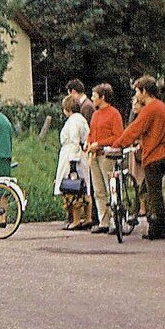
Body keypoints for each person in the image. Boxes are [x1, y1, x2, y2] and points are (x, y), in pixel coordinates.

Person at [111, 75, 165, 240]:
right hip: (164, 154)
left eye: (137, 91)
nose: (136, 96)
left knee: (154, 196)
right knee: (150, 190)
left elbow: (134, 129)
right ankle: (156, 225)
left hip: (154, 156)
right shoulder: (162, 107)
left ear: (144, 91)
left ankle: (158, 230)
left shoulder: (150, 109)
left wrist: (117, 145)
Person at [84, 82, 125, 234]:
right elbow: (91, 131)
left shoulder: (114, 114)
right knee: (98, 190)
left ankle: (116, 220)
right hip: (94, 155)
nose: (92, 98)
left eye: (94, 96)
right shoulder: (95, 114)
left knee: (111, 188)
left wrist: (99, 144)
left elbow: (117, 136)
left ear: (103, 97)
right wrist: (88, 142)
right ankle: (103, 221)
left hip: (107, 155)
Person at [55, 94, 91, 231]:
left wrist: (72, 164)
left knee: (73, 188)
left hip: (72, 156)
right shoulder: (81, 120)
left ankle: (76, 220)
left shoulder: (73, 121)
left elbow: (75, 141)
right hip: (82, 156)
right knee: (85, 187)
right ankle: (87, 218)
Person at [66, 78, 97, 225]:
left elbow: (76, 138)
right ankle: (87, 217)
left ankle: (81, 218)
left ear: (73, 92)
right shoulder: (84, 108)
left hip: (80, 152)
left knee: (80, 185)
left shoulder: (86, 108)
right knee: (86, 186)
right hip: (83, 151)